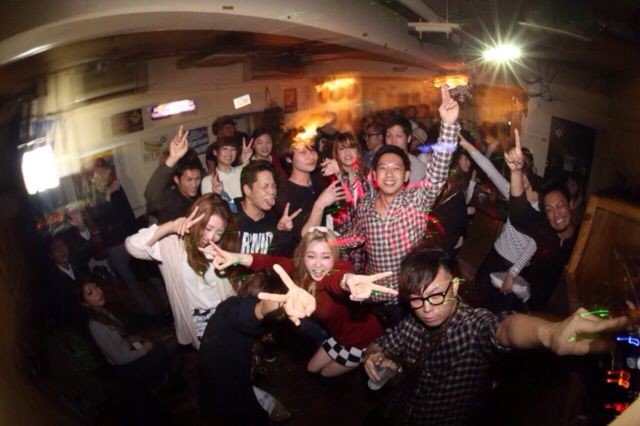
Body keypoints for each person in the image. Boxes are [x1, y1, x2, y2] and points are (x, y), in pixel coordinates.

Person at [363, 245, 628, 426]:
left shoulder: (472, 325)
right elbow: (381, 344)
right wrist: (373, 356)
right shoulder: (413, 321)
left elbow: (503, 329)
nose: (427, 308)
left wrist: (549, 333)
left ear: (454, 287)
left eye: (435, 295)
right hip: (399, 413)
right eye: (416, 299)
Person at [334, 86, 460, 326]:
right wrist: (326, 243)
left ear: (406, 176)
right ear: (374, 176)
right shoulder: (365, 207)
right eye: (383, 168)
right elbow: (353, 237)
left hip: (409, 298)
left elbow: (438, 173)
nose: (389, 174)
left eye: (396, 168)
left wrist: (448, 125)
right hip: (374, 297)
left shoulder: (416, 201)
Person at [206, 227, 397, 377]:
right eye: (311, 256)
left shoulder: (337, 270)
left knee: (326, 373)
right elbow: (269, 262)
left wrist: (348, 281)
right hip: (339, 336)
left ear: (334, 257)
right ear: (303, 256)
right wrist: (237, 257)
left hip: (361, 337)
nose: (318, 264)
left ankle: (368, 358)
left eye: (326, 257)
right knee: (312, 369)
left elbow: (338, 278)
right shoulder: (301, 270)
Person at [198, 268, 315, 426]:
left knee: (283, 414)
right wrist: (272, 305)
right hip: (224, 402)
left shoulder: (229, 307)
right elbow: (252, 312)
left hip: (227, 387)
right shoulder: (232, 312)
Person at [125, 194, 239, 348]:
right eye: (208, 228)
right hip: (199, 326)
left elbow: (234, 287)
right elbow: (133, 247)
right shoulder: (172, 245)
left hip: (227, 318)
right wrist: (170, 226)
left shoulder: (221, 247)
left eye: (219, 232)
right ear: (196, 219)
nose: (211, 237)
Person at [459, 135, 540, 313]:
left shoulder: (538, 205)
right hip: (496, 254)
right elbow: (489, 169)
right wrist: (468, 146)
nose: (519, 180)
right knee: (477, 299)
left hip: (513, 266)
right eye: (515, 176)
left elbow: (533, 244)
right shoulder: (513, 192)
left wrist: (513, 273)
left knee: (499, 312)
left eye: (523, 175)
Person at [505, 130, 577, 311]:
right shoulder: (544, 231)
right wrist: (516, 172)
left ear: (571, 204)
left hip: (559, 317)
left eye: (560, 205)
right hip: (526, 306)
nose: (556, 214)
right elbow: (518, 216)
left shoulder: (582, 242)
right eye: (549, 209)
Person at [314, 132, 372, 273]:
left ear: (358, 150)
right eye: (342, 148)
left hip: (362, 241)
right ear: (336, 153)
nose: (347, 152)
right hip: (337, 240)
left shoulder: (366, 175)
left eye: (351, 147)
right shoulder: (329, 175)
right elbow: (347, 203)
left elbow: (367, 207)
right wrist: (339, 175)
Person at [236, 160, 298, 256]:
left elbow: (279, 259)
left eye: (274, 186)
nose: (272, 191)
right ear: (247, 190)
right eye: (265, 187)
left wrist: (282, 233)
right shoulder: (229, 214)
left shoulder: (276, 219)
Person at [144, 126, 204, 223]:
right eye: (189, 179)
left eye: (197, 179)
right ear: (177, 179)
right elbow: (150, 194)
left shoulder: (198, 198)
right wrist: (173, 158)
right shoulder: (169, 200)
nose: (194, 184)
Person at [384, 115, 427, 185]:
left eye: (399, 136)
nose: (393, 140)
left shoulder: (418, 167)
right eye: (389, 135)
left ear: (409, 138)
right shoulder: (379, 162)